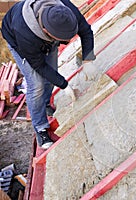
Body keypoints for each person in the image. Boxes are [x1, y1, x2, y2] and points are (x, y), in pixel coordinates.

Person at [1, 0, 96, 149]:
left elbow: (86, 31)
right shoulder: (24, 33)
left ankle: (44, 105)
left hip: (44, 38)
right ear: (46, 31)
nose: (67, 42)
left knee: (51, 78)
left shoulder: (65, 10)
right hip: (17, 40)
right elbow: (39, 65)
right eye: (63, 39)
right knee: (37, 84)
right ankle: (40, 127)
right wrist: (64, 85)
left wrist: (88, 60)